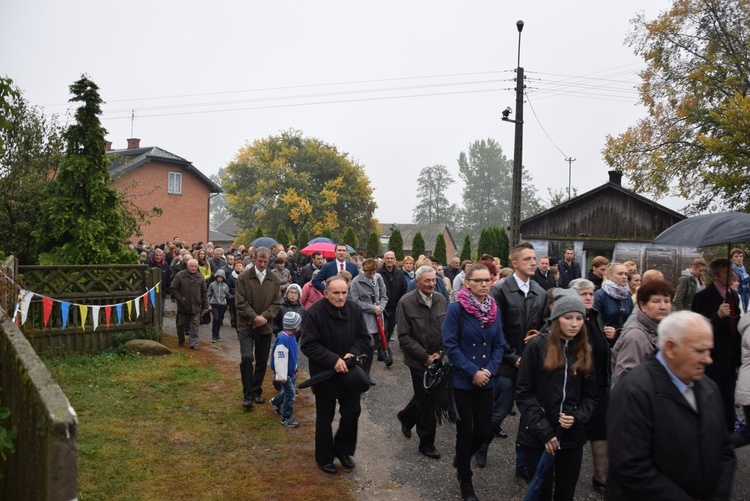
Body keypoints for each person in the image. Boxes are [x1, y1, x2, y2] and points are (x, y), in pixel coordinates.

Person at [606, 311, 736, 500]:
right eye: (699, 351)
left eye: (709, 350)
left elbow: (724, 449)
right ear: (670, 348)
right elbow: (631, 468)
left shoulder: (709, 388)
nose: (708, 359)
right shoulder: (634, 391)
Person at [515, 290, 597, 501]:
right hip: (538, 435)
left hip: (571, 438)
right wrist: (544, 431)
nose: (574, 324)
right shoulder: (536, 347)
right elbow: (524, 393)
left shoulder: (584, 350)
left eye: (579, 318)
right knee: (541, 492)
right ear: (556, 318)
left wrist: (577, 417)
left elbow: (590, 396)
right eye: (567, 317)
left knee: (565, 492)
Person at [477, 242, 550, 474]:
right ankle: (482, 443)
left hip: (533, 364)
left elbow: (547, 325)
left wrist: (539, 343)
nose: (533, 262)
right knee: (500, 410)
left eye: (534, 258)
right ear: (515, 263)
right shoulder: (499, 290)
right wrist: (512, 356)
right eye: (528, 259)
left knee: (529, 415)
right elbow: (494, 328)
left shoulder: (539, 291)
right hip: (507, 364)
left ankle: (523, 464)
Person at [442, 264, 504, 501]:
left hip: (486, 379)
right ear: (467, 283)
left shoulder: (494, 309)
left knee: (484, 428)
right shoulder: (456, 309)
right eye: (478, 280)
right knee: (465, 430)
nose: (484, 284)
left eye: (487, 280)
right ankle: (465, 481)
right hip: (462, 380)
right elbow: (450, 345)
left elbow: (499, 344)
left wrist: (488, 370)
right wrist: (472, 371)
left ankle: (463, 455)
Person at [300, 276, 372, 475]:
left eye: (344, 293)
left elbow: (364, 338)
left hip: (350, 373)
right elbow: (307, 344)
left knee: (352, 412)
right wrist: (333, 359)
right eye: (336, 293)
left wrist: (353, 353)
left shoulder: (355, 309)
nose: (341, 297)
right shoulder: (314, 313)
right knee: (325, 418)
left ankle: (343, 450)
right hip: (325, 374)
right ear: (325, 293)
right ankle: (324, 457)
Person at [396, 265, 447, 460]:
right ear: (417, 282)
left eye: (434, 280)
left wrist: (439, 354)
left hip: (437, 359)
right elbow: (404, 336)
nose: (431, 284)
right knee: (427, 400)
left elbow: (447, 330)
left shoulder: (442, 300)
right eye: (427, 281)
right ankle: (426, 443)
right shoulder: (406, 302)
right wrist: (425, 357)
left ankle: (406, 417)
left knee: (427, 395)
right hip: (418, 361)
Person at [569, 278, 611, 493]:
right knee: (570, 435)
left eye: (590, 294)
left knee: (601, 433)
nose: (588, 297)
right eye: (583, 294)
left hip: (599, 387)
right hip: (576, 389)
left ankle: (601, 477)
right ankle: (561, 475)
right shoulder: (570, 320)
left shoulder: (595, 316)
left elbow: (600, 349)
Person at [691, 258, 742, 433]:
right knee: (710, 404)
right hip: (711, 362)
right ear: (715, 276)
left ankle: (726, 442)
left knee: (728, 404)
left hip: (730, 363)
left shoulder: (733, 295)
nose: (732, 275)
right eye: (727, 272)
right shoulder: (703, 297)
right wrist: (717, 316)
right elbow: (696, 328)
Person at [235, 247, 282, 410]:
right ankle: (247, 395)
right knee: (247, 358)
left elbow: (277, 303)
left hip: (265, 326)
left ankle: (256, 390)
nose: (262, 264)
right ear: (254, 259)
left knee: (262, 360)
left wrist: (264, 317)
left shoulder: (274, 279)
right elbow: (239, 301)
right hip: (246, 326)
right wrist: (254, 317)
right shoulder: (244, 277)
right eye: (259, 261)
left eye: (265, 262)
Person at [611, 279, 673, 386]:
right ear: (643, 306)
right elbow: (626, 381)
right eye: (656, 301)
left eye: (667, 301)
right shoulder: (635, 337)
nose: (663, 307)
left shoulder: (663, 332)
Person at [350, 259, 390, 372]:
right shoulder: (356, 281)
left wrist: (381, 307)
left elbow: (384, 296)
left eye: (373, 272)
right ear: (363, 270)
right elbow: (355, 301)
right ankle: (362, 371)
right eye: (369, 273)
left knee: (374, 346)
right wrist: (373, 308)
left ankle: (366, 372)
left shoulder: (379, 278)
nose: (371, 275)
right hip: (365, 318)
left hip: (378, 316)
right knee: (368, 344)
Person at [270, 311, 302, 428]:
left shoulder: (292, 336)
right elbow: (280, 360)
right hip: (284, 374)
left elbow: (293, 355)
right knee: (291, 395)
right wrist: (282, 376)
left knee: (289, 391)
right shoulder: (283, 339)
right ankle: (286, 417)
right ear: (295, 325)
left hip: (291, 371)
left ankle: (275, 401)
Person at [170, 259, 210, 349]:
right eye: (192, 266)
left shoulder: (200, 277)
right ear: (188, 266)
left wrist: (205, 305)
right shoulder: (180, 275)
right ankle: (181, 341)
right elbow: (173, 288)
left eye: (195, 266)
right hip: (183, 305)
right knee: (180, 324)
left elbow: (204, 292)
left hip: (196, 306)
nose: (193, 268)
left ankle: (194, 344)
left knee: (195, 325)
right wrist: (180, 299)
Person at [594, 263, 633, 340]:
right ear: (609, 276)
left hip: (623, 340)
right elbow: (594, 322)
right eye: (620, 274)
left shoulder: (627, 296)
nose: (624, 277)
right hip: (604, 341)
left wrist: (621, 333)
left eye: (626, 274)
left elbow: (631, 320)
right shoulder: (600, 295)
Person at [377, 251, 408, 343]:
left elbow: (404, 288)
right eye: (387, 258)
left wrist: (401, 302)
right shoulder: (378, 273)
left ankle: (385, 346)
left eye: (392, 258)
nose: (390, 260)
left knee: (390, 328)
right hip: (382, 307)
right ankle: (382, 348)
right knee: (382, 328)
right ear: (384, 260)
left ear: (395, 260)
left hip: (395, 307)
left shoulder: (399, 273)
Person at [207, 269, 230, 343]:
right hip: (214, 304)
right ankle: (214, 335)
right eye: (218, 277)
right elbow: (209, 294)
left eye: (221, 277)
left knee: (220, 320)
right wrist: (208, 304)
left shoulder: (225, 286)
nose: (219, 279)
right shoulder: (212, 285)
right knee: (216, 319)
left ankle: (217, 334)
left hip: (222, 304)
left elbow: (227, 295)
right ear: (216, 277)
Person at [148, 248, 171, 315]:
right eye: (157, 255)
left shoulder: (165, 265)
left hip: (162, 291)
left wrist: (168, 292)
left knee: (161, 310)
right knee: (151, 310)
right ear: (153, 255)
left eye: (160, 255)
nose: (158, 257)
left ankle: (160, 324)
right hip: (150, 291)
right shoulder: (148, 264)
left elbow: (168, 279)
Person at [731, 248, 750, 313]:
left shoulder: (743, 268)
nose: (739, 258)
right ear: (732, 258)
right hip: (736, 294)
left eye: (741, 256)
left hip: (745, 293)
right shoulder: (731, 270)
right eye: (736, 256)